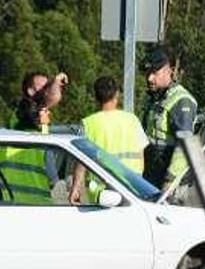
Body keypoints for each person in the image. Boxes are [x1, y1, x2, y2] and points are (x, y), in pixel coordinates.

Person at [70, 76, 148, 205]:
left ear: (96, 96)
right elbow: (141, 154)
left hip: (103, 192)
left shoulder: (88, 123)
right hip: (133, 189)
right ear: (117, 94)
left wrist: (76, 187)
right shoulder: (132, 120)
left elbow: (81, 161)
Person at [140, 47, 198, 190]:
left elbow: (184, 145)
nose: (149, 78)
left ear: (169, 71)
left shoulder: (181, 101)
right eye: (147, 73)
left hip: (171, 182)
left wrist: (170, 181)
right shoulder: (156, 99)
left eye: (155, 73)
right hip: (153, 174)